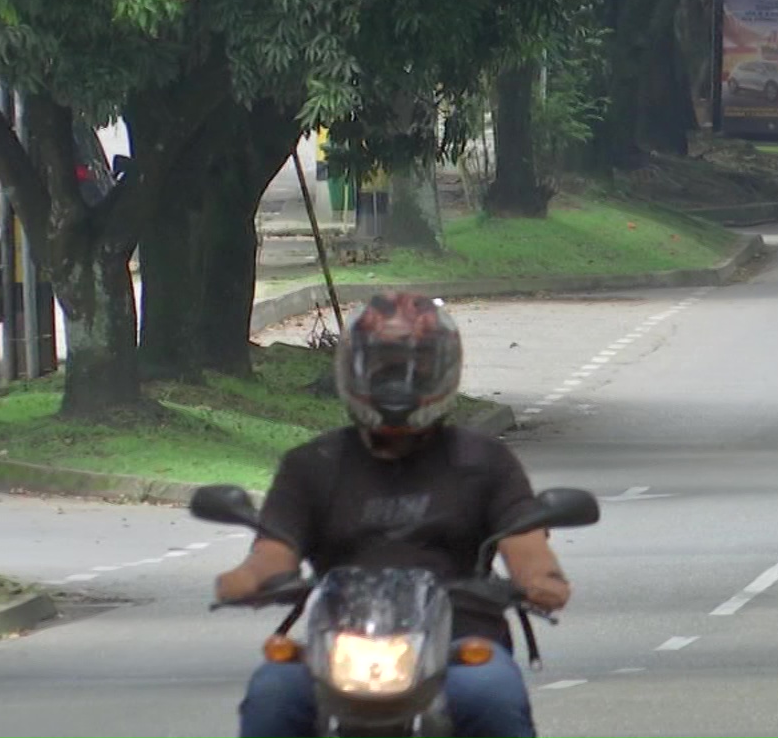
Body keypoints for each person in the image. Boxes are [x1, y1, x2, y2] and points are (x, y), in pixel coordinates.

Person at [220, 291, 571, 738]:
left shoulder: (485, 461)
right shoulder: (313, 464)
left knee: (490, 691)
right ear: (353, 370)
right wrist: (246, 580)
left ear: (444, 370)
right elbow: (275, 552)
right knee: (273, 689)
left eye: (416, 366)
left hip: (457, 645)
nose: (399, 382)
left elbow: (527, 547)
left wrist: (541, 581)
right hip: (340, 648)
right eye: (383, 366)